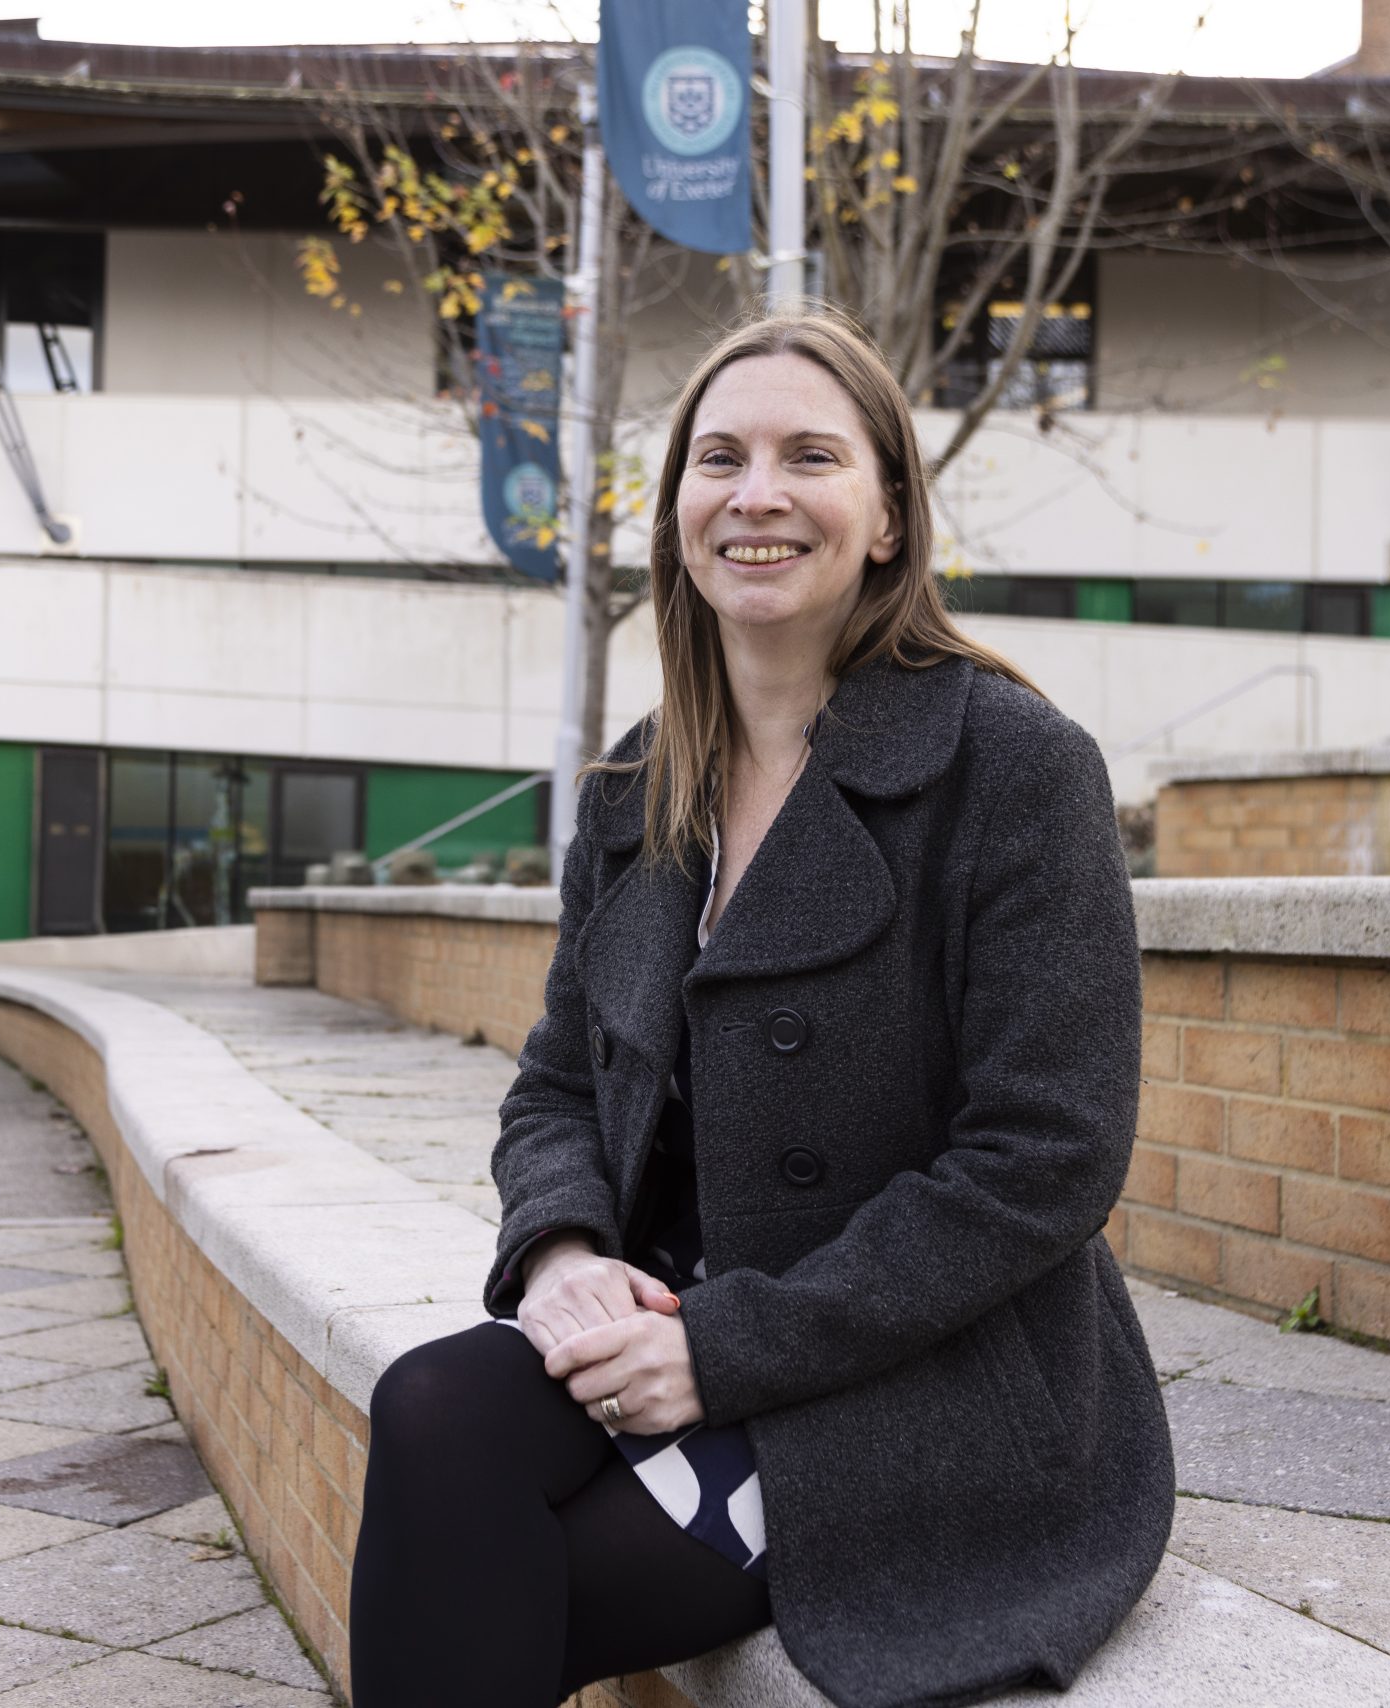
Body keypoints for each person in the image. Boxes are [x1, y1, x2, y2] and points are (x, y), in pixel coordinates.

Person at [348, 308, 1172, 1708]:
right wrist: (559, 1255)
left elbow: (1047, 1161)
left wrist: (721, 1354)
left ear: (892, 518)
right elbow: (556, 1084)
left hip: (924, 1372)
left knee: (491, 1581)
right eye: (719, 458)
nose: (758, 494)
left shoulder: (1015, 768)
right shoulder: (637, 785)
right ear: (677, 513)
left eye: (811, 456)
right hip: (674, 1298)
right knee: (429, 1411)